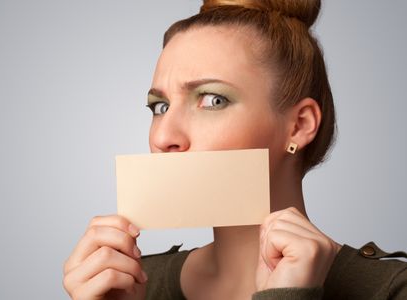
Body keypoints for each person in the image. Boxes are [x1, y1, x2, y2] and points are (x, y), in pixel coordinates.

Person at [63, 0, 407, 299]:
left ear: (300, 125)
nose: (164, 135)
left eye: (213, 100)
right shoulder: (129, 285)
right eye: (160, 107)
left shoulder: (390, 289)